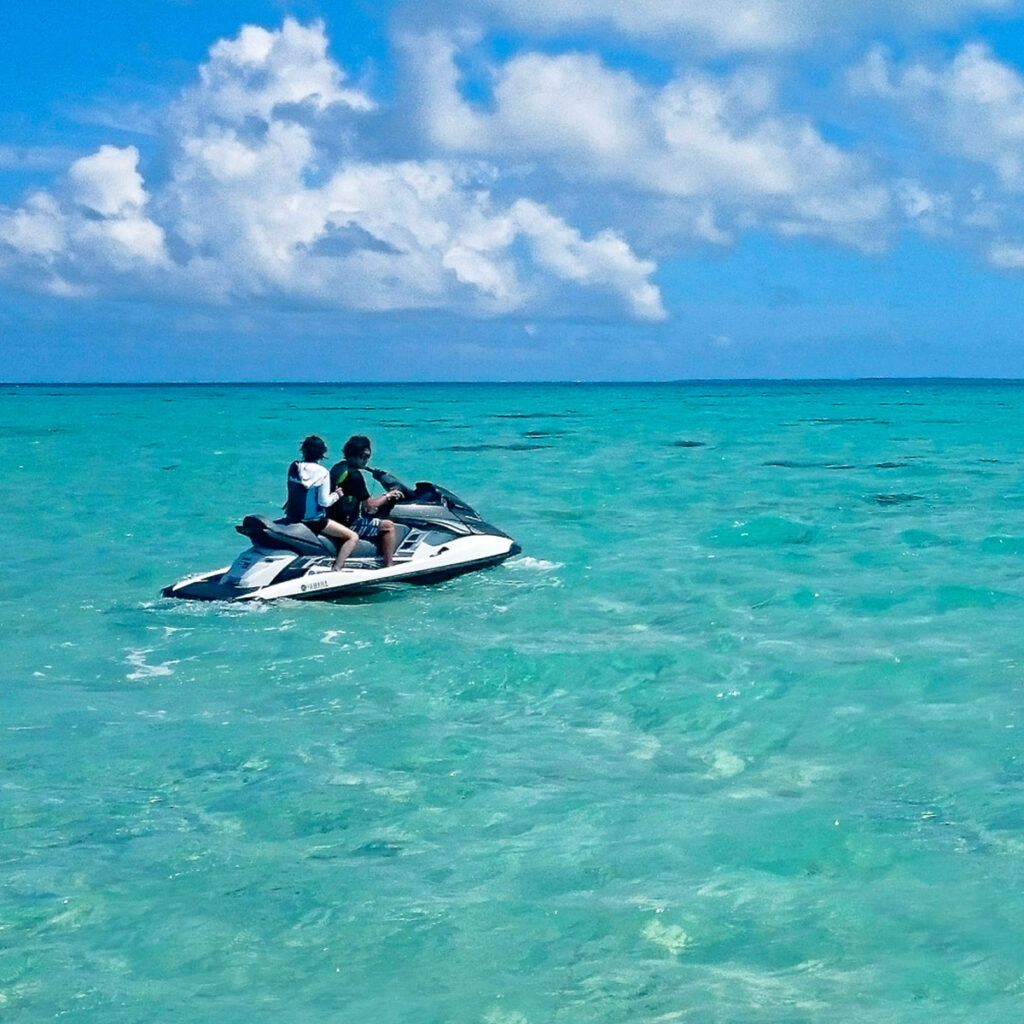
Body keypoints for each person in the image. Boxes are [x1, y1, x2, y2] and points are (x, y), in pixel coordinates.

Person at [284, 435, 359, 571]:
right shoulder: (323, 472)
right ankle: (337, 568)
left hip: (292, 518)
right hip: (313, 522)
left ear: (304, 450)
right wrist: (337, 495)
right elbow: (324, 502)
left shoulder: (294, 467)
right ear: (322, 453)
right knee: (352, 537)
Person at [329, 435, 404, 567]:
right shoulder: (355, 475)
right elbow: (370, 506)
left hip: (331, 520)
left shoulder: (338, 468)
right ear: (353, 455)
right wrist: (388, 496)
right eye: (364, 457)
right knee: (388, 526)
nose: (366, 461)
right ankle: (389, 566)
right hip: (348, 524)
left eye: (368, 457)